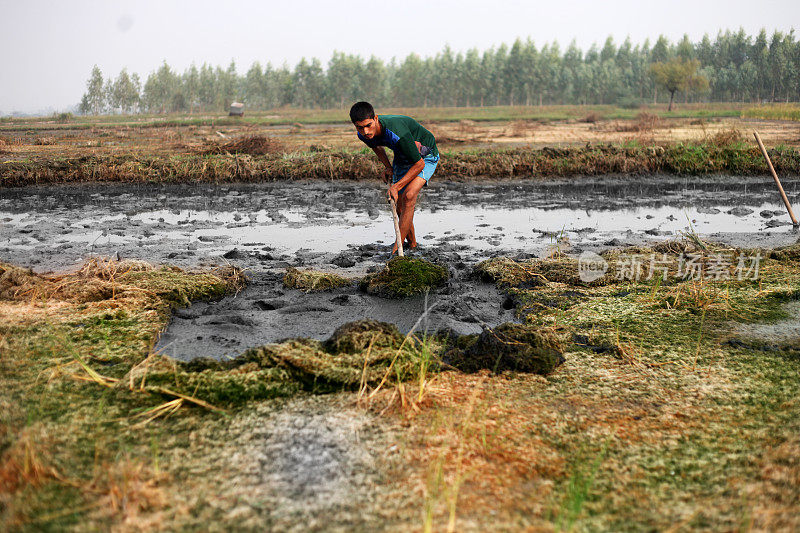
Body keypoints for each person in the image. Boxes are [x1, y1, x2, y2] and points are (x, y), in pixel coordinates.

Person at [350, 101, 439, 254]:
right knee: (399, 206)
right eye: (360, 127)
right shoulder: (363, 135)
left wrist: (396, 186)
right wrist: (388, 167)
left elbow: (419, 164)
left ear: (376, 119)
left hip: (425, 155)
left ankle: (396, 251)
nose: (365, 131)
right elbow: (376, 148)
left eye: (368, 125)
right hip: (402, 154)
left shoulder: (397, 132)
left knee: (409, 196)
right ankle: (412, 245)